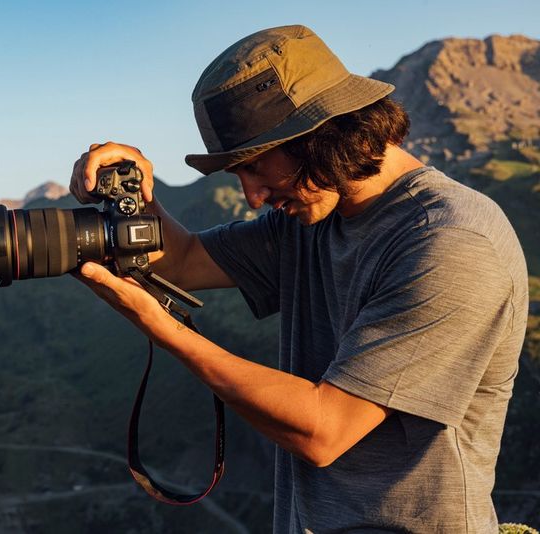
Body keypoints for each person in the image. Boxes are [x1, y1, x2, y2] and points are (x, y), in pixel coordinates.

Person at [69, 25, 528, 533]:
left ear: (320, 136)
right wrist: (135, 198)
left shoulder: (450, 242)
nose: (252, 197)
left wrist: (166, 330)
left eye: (256, 166)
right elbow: (184, 260)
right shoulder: (311, 217)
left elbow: (324, 430)